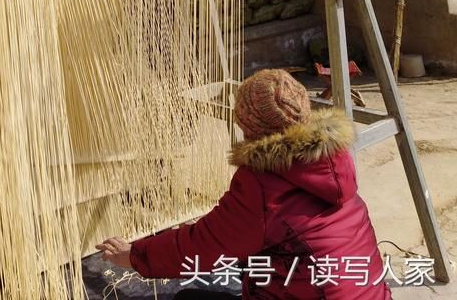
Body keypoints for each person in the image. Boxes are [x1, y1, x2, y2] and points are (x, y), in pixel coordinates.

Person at [96, 68, 391, 299]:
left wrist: (134, 255)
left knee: (188, 297)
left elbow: (200, 247)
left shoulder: (261, 183)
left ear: (248, 125)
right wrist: (225, 223)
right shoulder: (332, 161)